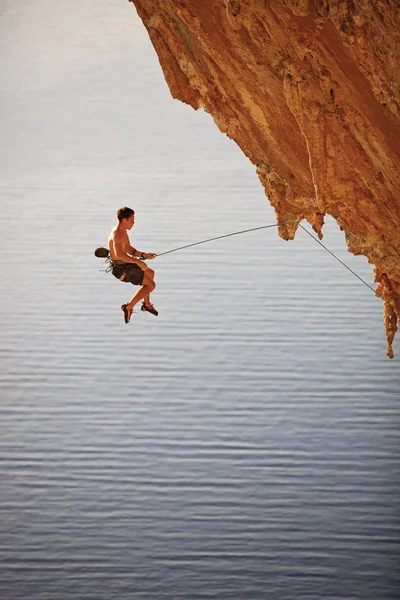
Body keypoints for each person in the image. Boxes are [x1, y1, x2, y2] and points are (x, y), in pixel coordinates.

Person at [108, 206, 157, 324]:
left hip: (126, 264)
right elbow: (119, 254)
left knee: (151, 273)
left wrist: (143, 255)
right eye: (132, 220)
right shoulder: (117, 234)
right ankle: (128, 307)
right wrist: (138, 262)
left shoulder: (123, 231)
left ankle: (146, 304)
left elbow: (128, 248)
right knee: (151, 286)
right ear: (124, 220)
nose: (134, 223)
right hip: (121, 269)